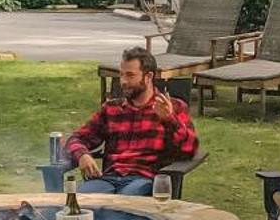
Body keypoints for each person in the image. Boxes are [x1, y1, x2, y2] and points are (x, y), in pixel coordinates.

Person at [64, 47, 200, 195]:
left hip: (143, 179)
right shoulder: (111, 109)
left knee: (127, 203)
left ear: (148, 77)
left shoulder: (173, 107)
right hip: (108, 178)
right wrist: (82, 155)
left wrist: (169, 120)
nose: (123, 81)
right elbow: (76, 138)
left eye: (130, 75)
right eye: (121, 75)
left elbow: (189, 150)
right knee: (82, 201)